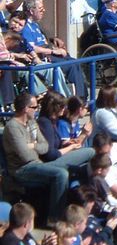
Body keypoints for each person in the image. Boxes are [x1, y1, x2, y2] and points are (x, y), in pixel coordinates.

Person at [2, 92, 94, 224]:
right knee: (61, 174)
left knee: (89, 152)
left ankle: (93, 201)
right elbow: (25, 156)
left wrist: (32, 145)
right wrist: (36, 148)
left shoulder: (32, 123)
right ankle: (54, 220)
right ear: (25, 109)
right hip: (23, 170)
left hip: (40, 165)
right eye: (34, 107)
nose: (37, 109)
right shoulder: (13, 128)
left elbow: (45, 146)